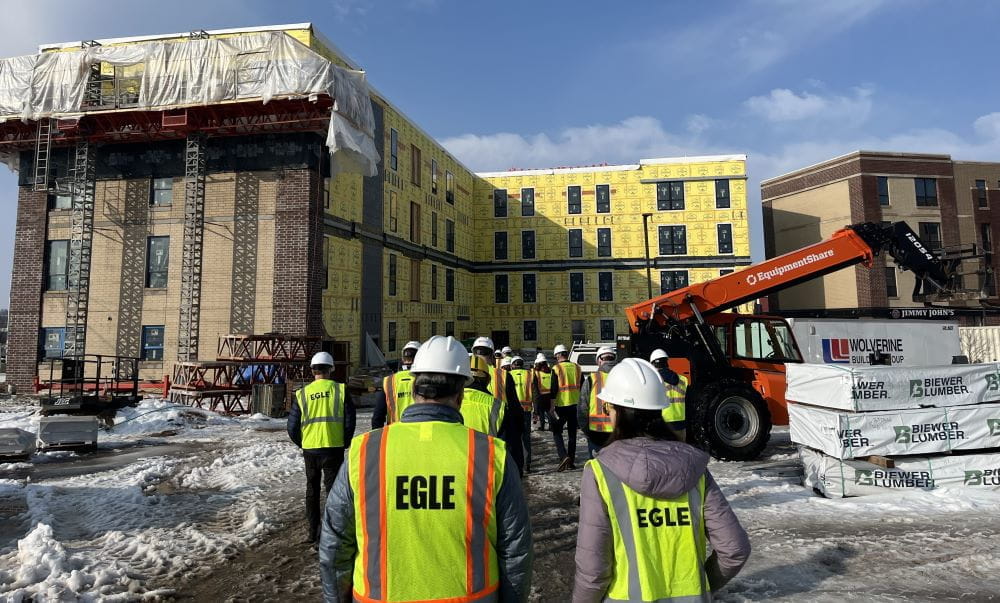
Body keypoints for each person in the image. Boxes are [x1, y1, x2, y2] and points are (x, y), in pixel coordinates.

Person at [320, 336, 533, 602]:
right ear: (461, 394)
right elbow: (516, 550)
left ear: (412, 388)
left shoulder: (363, 453)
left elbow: (335, 548)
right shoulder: (492, 455)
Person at [573, 358, 750, 602]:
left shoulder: (600, 473)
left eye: (608, 408)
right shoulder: (694, 470)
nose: (607, 414)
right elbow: (734, 550)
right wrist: (701, 585)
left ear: (619, 411)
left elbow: (593, 572)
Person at [287, 351, 356, 546]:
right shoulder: (341, 391)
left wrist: (303, 442)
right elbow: (350, 421)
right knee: (333, 492)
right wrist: (345, 441)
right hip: (333, 448)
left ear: (312, 370)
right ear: (331, 369)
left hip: (310, 450)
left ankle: (312, 532)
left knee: (312, 490)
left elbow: (292, 426)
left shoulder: (302, 394)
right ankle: (331, 533)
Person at [472, 336, 526, 474]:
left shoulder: (463, 375)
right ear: (492, 355)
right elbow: (515, 411)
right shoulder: (503, 375)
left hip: (469, 440)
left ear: (473, 355)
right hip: (500, 438)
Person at [371, 340, 421, 429]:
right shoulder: (425, 380)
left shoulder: (389, 381)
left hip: (394, 435)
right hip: (419, 433)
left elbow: (378, 417)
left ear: (403, 359)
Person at [578, 346, 616, 459]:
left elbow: (582, 410)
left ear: (599, 360)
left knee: (597, 471)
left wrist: (587, 432)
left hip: (596, 434)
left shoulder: (591, 379)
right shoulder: (624, 377)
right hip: (618, 434)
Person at [549, 343, 582, 471]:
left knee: (556, 432)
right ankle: (571, 461)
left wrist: (552, 407)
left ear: (557, 355)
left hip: (561, 405)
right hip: (575, 405)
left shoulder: (556, 368)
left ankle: (563, 456)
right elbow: (582, 386)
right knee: (572, 434)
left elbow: (553, 390)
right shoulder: (577, 367)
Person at [651, 348, 688, 442]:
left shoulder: (654, 381)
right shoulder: (683, 379)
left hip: (664, 424)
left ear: (654, 365)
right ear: (667, 362)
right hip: (680, 423)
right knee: (680, 452)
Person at [508, 356, 534, 473]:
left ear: (513, 365)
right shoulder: (529, 374)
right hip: (527, 409)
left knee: (515, 438)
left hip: (513, 411)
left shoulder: (508, 375)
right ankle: (527, 464)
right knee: (526, 437)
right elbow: (534, 391)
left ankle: (517, 464)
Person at [532, 353, 552, 431]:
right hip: (549, 395)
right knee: (549, 411)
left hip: (540, 395)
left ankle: (542, 426)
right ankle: (551, 426)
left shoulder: (537, 373)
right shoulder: (550, 371)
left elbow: (535, 387)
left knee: (541, 412)